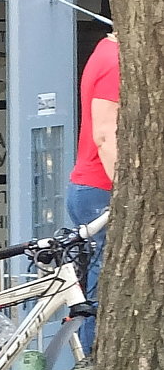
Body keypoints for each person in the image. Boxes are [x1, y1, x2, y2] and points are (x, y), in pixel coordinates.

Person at [66, 32, 118, 353]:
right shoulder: (115, 62)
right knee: (102, 294)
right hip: (102, 190)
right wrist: (127, 195)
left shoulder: (105, 51)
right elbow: (105, 134)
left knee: (98, 289)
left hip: (93, 189)